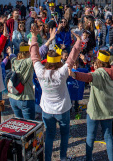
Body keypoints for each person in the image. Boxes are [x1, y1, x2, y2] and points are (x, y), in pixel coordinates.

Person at [30, 26, 81, 161]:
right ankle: (63, 157)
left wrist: (34, 37)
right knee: (64, 135)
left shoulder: (40, 72)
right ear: (58, 61)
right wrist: (78, 41)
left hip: (47, 109)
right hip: (62, 109)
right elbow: (72, 57)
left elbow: (34, 56)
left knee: (49, 136)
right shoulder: (61, 72)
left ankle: (47, 159)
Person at [70, 49, 113, 161]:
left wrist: (73, 74)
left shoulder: (98, 74)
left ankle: (89, 159)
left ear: (98, 62)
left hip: (95, 111)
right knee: (108, 137)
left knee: (90, 137)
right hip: (107, 111)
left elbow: (87, 77)